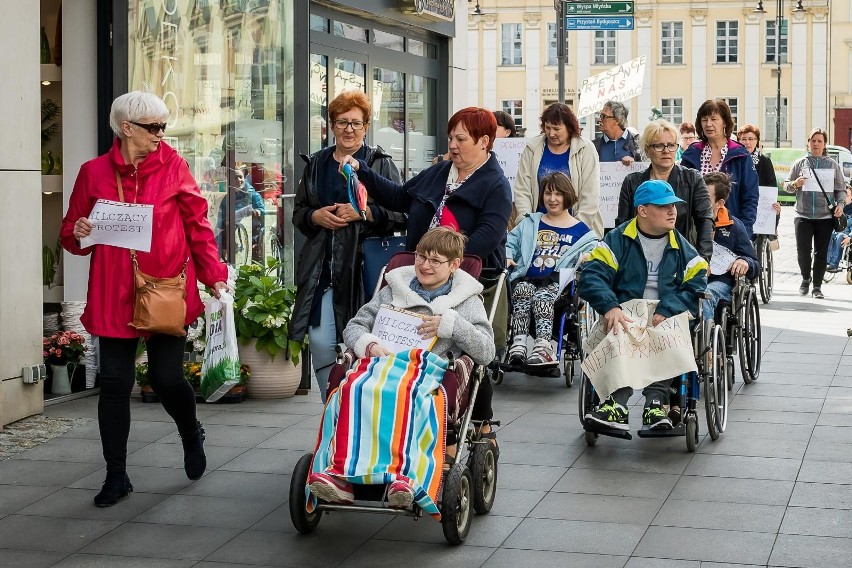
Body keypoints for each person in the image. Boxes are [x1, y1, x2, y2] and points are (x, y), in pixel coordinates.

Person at [60, 91, 228, 507]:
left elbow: (198, 225)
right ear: (126, 128)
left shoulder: (174, 166)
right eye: (153, 127)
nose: (161, 135)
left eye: (163, 126)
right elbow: (70, 234)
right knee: (115, 383)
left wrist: (214, 276)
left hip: (167, 289)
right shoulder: (93, 172)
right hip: (113, 293)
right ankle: (116, 476)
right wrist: (79, 232)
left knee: (168, 378)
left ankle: (191, 432)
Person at [308, 228, 496, 507]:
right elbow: (356, 326)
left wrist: (452, 325)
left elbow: (487, 351)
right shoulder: (393, 290)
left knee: (411, 399)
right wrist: (368, 344)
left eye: (435, 260)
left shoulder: (466, 302)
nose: (425, 265)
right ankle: (342, 475)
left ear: (454, 265)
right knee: (352, 389)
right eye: (421, 256)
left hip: (427, 374)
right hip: (382, 366)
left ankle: (408, 476)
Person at [290, 90, 405, 402]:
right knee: (320, 341)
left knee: (360, 345)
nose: (349, 129)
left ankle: (359, 410)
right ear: (332, 125)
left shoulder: (379, 164)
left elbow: (403, 213)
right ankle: (334, 407)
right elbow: (298, 213)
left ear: (366, 126)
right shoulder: (316, 164)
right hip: (321, 272)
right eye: (342, 122)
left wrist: (364, 212)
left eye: (356, 123)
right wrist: (315, 216)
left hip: (364, 274)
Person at [579, 180, 708, 431]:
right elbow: (592, 275)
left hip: (664, 312)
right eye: (663, 206)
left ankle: (656, 403)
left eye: (673, 205)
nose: (673, 211)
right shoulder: (617, 240)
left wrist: (669, 308)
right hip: (627, 309)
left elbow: (697, 282)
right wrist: (610, 306)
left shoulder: (682, 247)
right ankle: (616, 404)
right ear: (643, 211)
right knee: (619, 329)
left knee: (667, 331)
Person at [505, 173, 597, 367]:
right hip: (527, 277)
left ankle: (543, 347)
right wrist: (508, 255)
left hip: (558, 284)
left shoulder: (582, 232)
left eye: (558, 194)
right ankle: (518, 344)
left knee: (542, 297)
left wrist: (588, 258)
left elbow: (598, 252)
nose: (552, 199)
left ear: (567, 196)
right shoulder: (531, 223)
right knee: (521, 291)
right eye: (548, 193)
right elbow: (510, 242)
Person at [616, 120, 714, 260]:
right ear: (647, 151)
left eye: (671, 145)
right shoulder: (631, 182)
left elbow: (705, 220)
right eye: (659, 146)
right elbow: (623, 224)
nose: (666, 150)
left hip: (681, 258)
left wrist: (703, 259)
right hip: (639, 259)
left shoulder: (692, 178)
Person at [514, 103, 603, 237]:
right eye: (547, 127)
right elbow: (522, 190)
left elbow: (590, 194)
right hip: (536, 231)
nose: (551, 133)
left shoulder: (586, 149)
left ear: (569, 127)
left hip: (578, 230)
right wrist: (526, 225)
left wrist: (576, 230)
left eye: (556, 128)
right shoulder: (532, 148)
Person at [680, 99, 759, 237]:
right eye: (704, 120)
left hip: (730, 229)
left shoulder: (740, 154)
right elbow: (681, 191)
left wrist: (745, 231)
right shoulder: (692, 153)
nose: (708, 124)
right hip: (695, 229)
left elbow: (750, 197)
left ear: (725, 122)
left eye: (714, 119)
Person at [783, 128, 846, 298]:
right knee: (803, 251)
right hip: (802, 214)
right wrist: (795, 184)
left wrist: (840, 204)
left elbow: (841, 190)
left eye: (819, 141)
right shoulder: (800, 163)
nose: (816, 144)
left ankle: (817, 286)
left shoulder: (832, 165)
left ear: (824, 144)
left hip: (825, 216)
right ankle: (805, 279)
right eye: (813, 140)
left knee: (821, 252)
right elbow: (786, 185)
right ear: (808, 143)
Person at [701, 172, 760, 322]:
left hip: (719, 281)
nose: (699, 200)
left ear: (719, 203)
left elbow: (754, 262)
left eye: (705, 197)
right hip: (692, 277)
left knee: (706, 294)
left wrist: (744, 261)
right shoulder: (688, 222)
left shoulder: (734, 226)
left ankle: (704, 341)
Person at [737, 124, 782, 241]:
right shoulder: (735, 160)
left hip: (760, 206)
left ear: (757, 141)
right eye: (744, 139)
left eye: (751, 139)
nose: (747, 142)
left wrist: (773, 202)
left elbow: (771, 185)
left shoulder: (764, 161)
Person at [216, 165, 265, 261]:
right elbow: (220, 214)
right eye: (235, 177)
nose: (238, 180)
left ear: (245, 178)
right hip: (229, 225)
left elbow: (262, 209)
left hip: (251, 228)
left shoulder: (252, 195)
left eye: (240, 177)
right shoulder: (227, 197)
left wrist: (258, 211)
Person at [593, 100, 641, 166]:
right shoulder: (593, 146)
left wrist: (635, 163)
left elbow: (648, 168)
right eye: (600, 115)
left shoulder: (638, 143)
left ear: (618, 120)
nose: (599, 120)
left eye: (603, 116)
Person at [827, 185, 852, 271]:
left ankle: (834, 264)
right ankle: (826, 262)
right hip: (835, 232)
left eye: (847, 195)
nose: (844, 198)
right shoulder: (838, 208)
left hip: (846, 234)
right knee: (828, 234)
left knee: (840, 236)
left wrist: (850, 237)